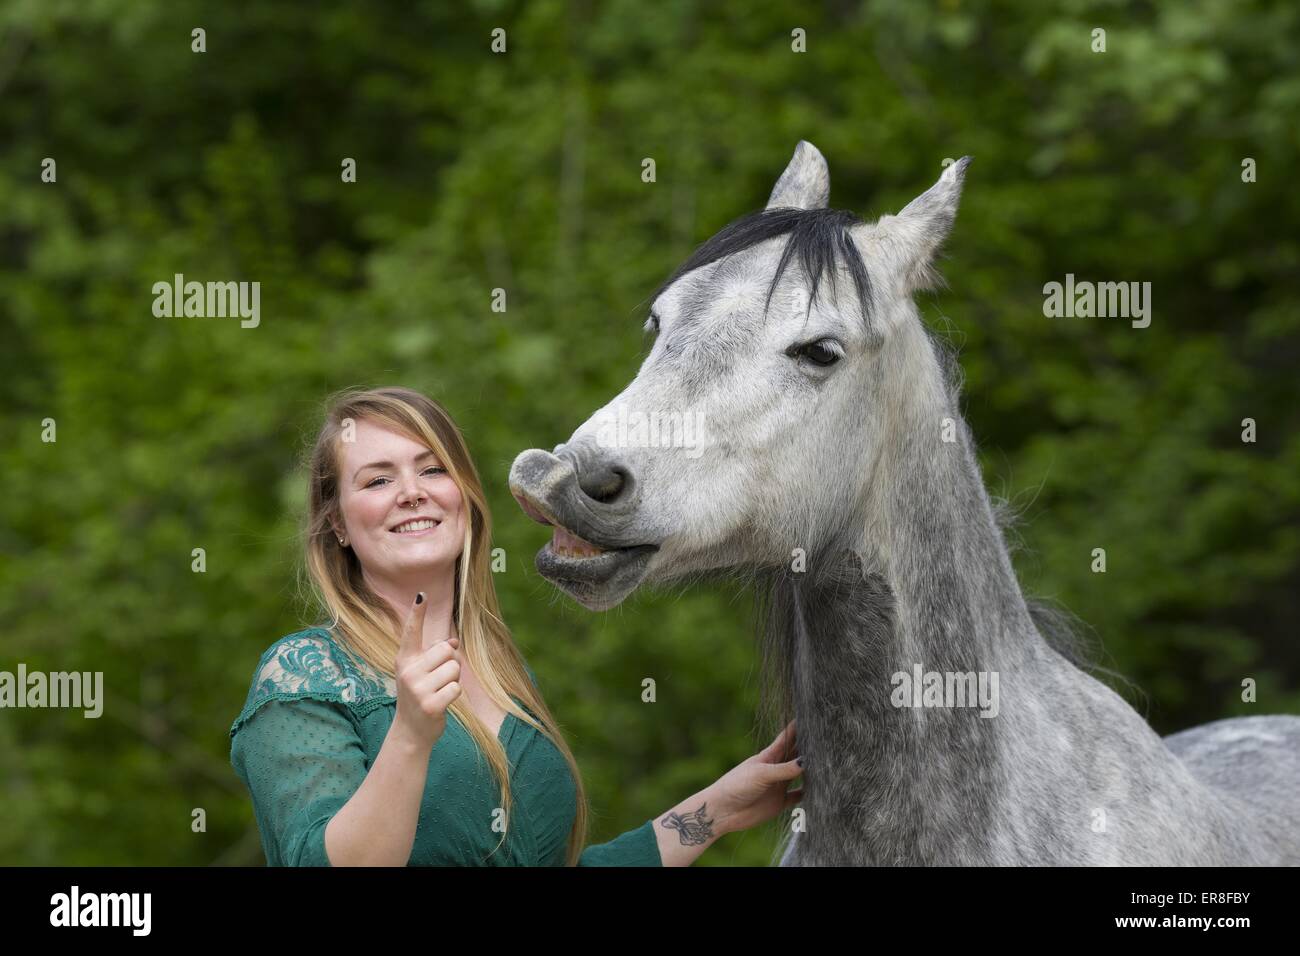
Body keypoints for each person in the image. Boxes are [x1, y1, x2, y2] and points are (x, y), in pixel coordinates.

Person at [229, 385, 803, 865]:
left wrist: (716, 811)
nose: (411, 493)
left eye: (433, 469)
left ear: (465, 496)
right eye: (377, 481)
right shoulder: (305, 674)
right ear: (338, 524)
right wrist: (408, 738)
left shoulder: (502, 670)